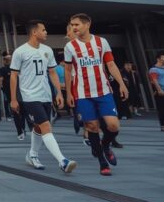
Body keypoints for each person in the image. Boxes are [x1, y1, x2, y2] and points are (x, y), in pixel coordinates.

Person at [64, 13, 128, 176]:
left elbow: (111, 64)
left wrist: (121, 84)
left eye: (77, 24)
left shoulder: (101, 42)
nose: (74, 28)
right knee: (92, 126)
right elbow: (68, 70)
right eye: (72, 25)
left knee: (113, 126)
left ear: (87, 24)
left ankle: (105, 145)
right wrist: (69, 94)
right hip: (82, 93)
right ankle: (102, 162)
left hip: (103, 91)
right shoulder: (70, 47)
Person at [9, 20, 77, 174]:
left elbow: (52, 72)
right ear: (34, 32)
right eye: (44, 30)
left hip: (45, 95)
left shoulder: (47, 50)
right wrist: (13, 99)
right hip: (30, 96)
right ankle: (62, 161)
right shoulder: (20, 51)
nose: (46, 32)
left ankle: (32, 155)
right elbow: (13, 76)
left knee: (39, 127)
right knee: (46, 126)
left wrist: (59, 92)